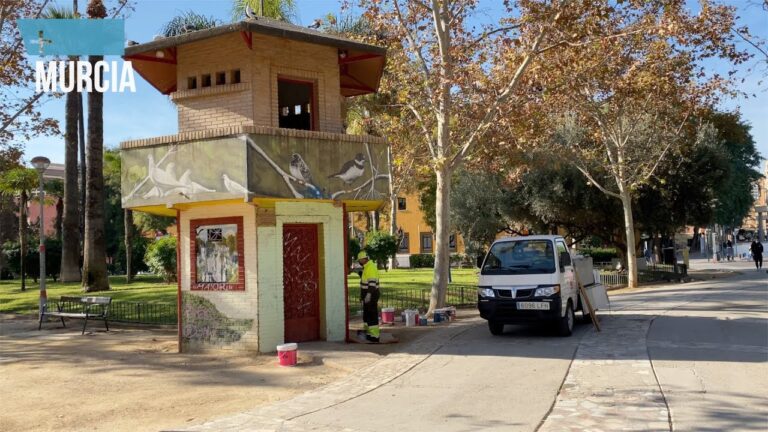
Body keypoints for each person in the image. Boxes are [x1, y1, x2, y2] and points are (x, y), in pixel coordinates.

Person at [357, 251, 380, 342]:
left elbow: (372, 283)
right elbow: (365, 281)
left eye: (360, 260)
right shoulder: (367, 267)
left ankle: (374, 336)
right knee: (367, 315)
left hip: (371, 295)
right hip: (367, 295)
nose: (359, 262)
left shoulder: (370, 267)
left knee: (371, 315)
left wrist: (368, 295)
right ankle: (369, 333)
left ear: (363, 259)